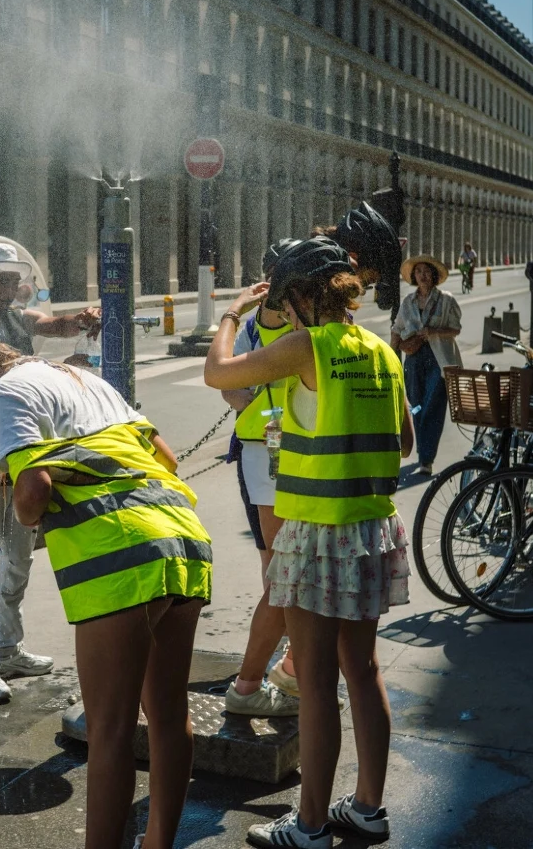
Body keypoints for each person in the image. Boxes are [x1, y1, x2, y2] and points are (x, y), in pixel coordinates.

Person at [0, 334, 211, 849]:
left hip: (117, 557)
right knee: (169, 716)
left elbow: (33, 490)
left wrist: (29, 514)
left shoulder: (3, 392)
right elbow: (168, 460)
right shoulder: (82, 378)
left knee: (109, 730)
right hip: (182, 536)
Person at [204, 238, 413, 849]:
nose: (284, 312)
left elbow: (217, 373)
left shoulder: (307, 345)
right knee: (364, 672)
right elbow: (403, 440)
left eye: (284, 301)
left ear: (300, 296)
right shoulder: (381, 350)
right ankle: (368, 808)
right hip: (371, 530)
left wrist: (232, 313)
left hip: (318, 532)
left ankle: (310, 826)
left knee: (317, 684)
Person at [0, 242, 99, 702]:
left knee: (18, 561)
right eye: (1, 280)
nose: (11, 287)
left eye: (13, 279)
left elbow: (54, 324)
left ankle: (8, 648)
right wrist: (55, 369)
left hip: (20, 462)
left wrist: (82, 319)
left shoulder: (17, 318)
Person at [219, 238, 301, 718]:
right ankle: (272, 671)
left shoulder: (305, 325)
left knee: (285, 569)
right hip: (265, 450)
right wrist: (256, 402)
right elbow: (227, 383)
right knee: (280, 569)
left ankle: (290, 660)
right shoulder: (257, 326)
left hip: (292, 451)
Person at [390, 254, 462, 475]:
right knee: (417, 405)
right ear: (414, 276)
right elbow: (396, 330)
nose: (422, 275)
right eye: (418, 271)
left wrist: (434, 331)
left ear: (434, 275)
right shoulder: (408, 302)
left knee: (433, 406)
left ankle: (426, 458)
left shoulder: (446, 300)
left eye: (426, 271)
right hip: (414, 359)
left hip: (439, 360)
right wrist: (390, 358)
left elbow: (456, 329)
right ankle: (423, 451)